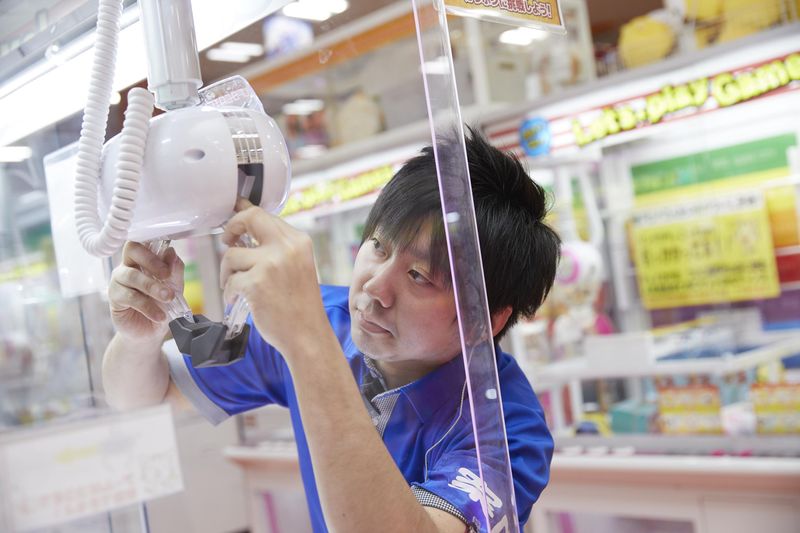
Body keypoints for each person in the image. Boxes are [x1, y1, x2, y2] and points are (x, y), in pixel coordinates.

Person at [102, 128, 561, 532]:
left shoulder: (505, 425)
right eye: (378, 246)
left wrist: (308, 344)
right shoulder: (320, 316)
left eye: (419, 275)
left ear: (488, 320)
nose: (375, 288)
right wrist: (139, 336)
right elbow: (143, 395)